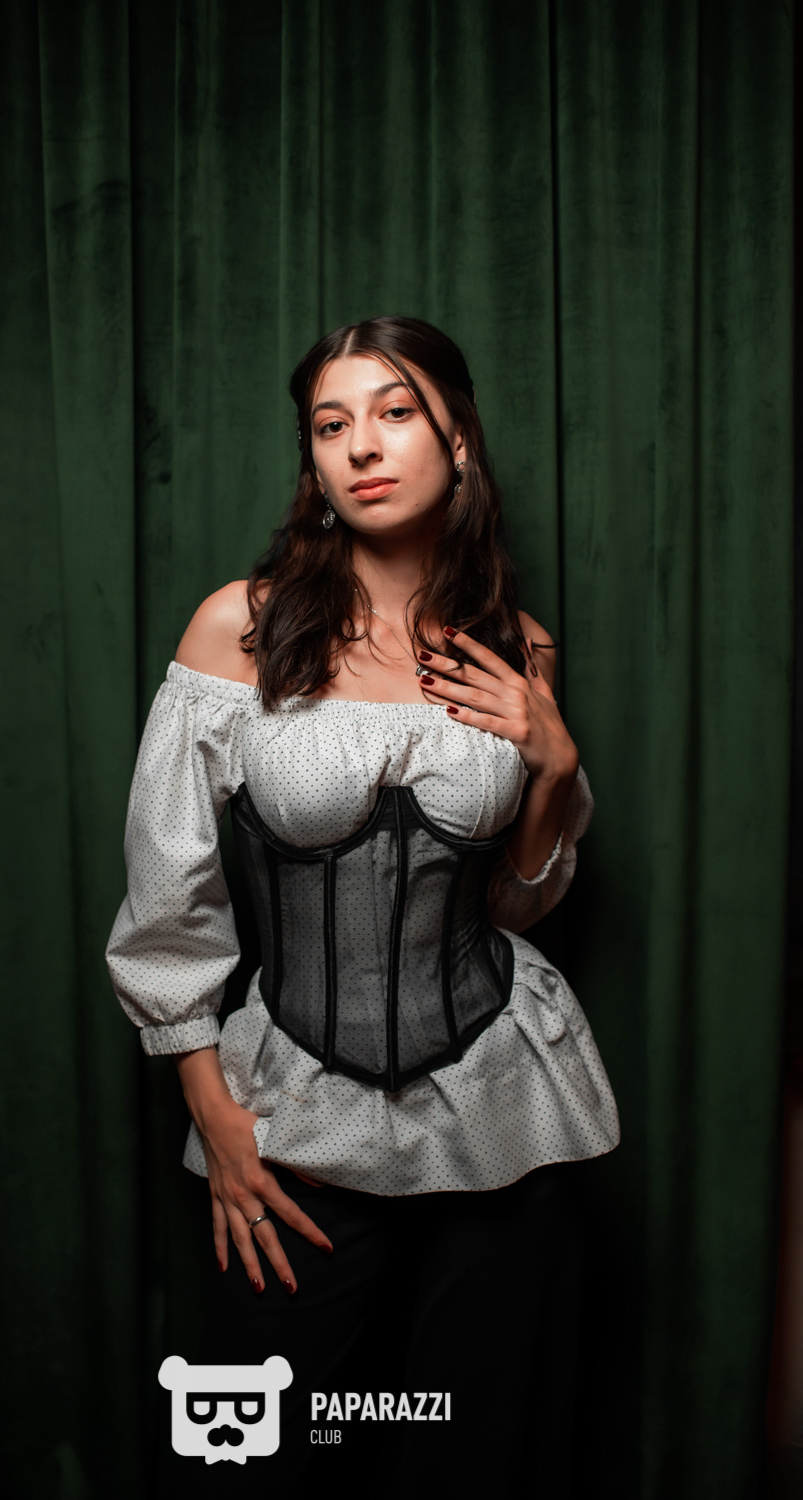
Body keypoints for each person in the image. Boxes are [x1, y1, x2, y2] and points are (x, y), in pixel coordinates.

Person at [105, 315, 621, 1497]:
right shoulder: (243, 627)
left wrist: (550, 769)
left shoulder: (515, 647)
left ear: (457, 438)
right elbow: (169, 889)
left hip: (502, 1105)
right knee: (248, 1449)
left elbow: (517, 906)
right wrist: (214, 1113)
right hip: (295, 1111)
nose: (361, 446)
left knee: (474, 1457)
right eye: (330, 424)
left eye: (394, 413)